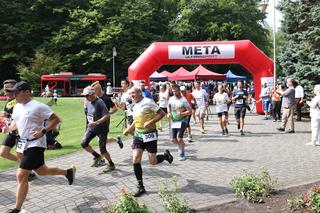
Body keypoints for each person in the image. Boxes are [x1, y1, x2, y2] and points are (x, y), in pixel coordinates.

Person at [4, 81, 75, 213]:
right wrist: (8, 128)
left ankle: (17, 210)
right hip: (23, 143)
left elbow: (56, 119)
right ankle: (67, 172)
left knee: (21, 174)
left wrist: (43, 131)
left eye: (17, 92)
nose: (14, 95)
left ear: (26, 92)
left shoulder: (38, 106)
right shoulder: (17, 106)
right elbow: (16, 122)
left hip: (36, 144)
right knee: (42, 171)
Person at [123, 87, 173, 197]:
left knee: (153, 162)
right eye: (130, 93)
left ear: (140, 93)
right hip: (138, 135)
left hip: (150, 134)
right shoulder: (134, 105)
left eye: (133, 93)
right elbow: (136, 121)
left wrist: (151, 121)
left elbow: (161, 113)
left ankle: (165, 156)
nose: (131, 95)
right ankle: (140, 186)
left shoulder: (148, 102)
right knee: (135, 159)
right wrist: (129, 129)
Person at [0, 79, 37, 181]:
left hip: (21, 133)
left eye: (8, 90)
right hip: (11, 132)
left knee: (20, 153)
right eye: (5, 90)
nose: (6, 92)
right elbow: (7, 115)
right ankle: (26, 165)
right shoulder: (9, 101)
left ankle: (29, 171)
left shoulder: (20, 100)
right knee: (3, 153)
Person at [80, 86, 116, 173]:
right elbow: (88, 114)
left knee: (102, 149)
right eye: (84, 96)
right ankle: (97, 156)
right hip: (92, 128)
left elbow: (107, 115)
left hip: (102, 129)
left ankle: (111, 165)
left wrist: (97, 122)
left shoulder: (100, 102)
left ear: (92, 94)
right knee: (84, 143)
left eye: (87, 95)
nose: (86, 97)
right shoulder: (88, 102)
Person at [91, 81, 123, 149]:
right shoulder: (94, 98)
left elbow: (115, 108)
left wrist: (108, 113)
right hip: (96, 121)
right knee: (102, 140)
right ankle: (117, 140)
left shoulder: (106, 99)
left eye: (94, 90)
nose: (93, 92)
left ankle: (102, 158)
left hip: (105, 121)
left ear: (99, 89)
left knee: (101, 140)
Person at [168, 85, 191, 160]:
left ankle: (182, 153)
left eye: (176, 91)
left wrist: (182, 114)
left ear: (179, 91)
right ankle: (181, 146)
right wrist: (168, 113)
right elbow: (169, 106)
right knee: (173, 140)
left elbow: (190, 111)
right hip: (174, 121)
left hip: (182, 120)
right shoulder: (171, 99)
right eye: (173, 91)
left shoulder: (183, 100)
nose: (175, 92)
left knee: (179, 138)